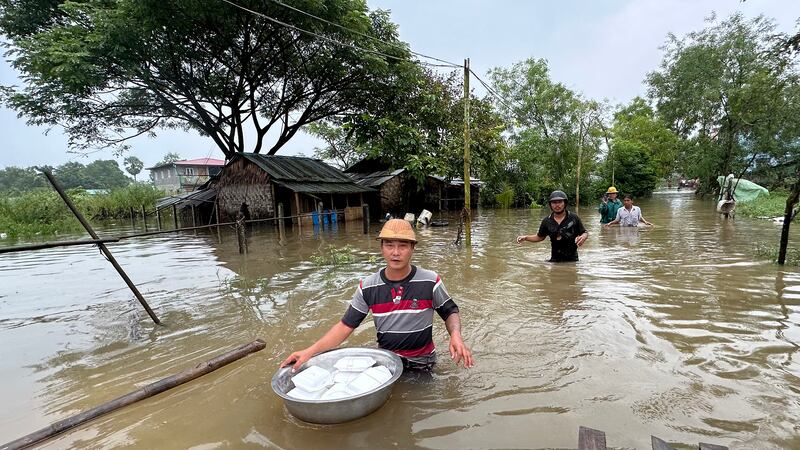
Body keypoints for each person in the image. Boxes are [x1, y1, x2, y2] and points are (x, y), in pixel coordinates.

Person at [281, 219, 474, 372]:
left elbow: (450, 311)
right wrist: (309, 352)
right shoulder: (368, 287)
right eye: (389, 245)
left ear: (413, 248)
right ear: (381, 247)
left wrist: (455, 335)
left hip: (423, 364)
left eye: (403, 246)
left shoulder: (430, 281)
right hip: (386, 365)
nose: (396, 252)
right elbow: (345, 326)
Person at [516, 190, 589, 262]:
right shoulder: (547, 221)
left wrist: (583, 237)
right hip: (554, 261)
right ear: (550, 204)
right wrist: (526, 238)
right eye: (554, 202)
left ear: (565, 203)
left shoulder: (573, 218)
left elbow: (584, 232)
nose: (557, 205)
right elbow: (540, 237)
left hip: (572, 261)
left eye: (560, 202)